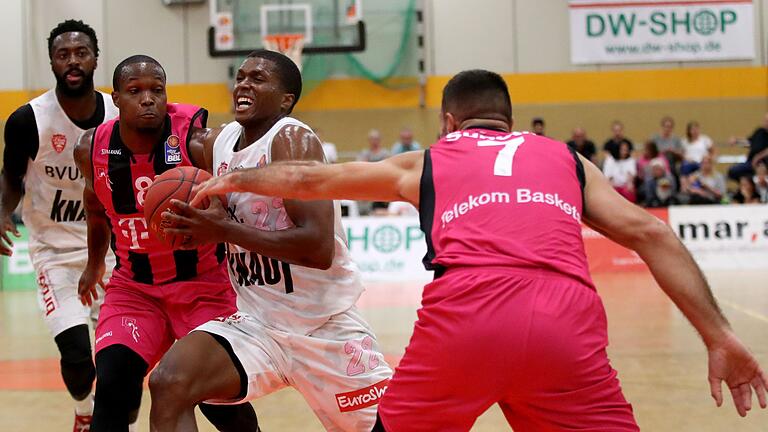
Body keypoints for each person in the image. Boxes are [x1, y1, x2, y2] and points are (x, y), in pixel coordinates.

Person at [192, 69, 768, 431]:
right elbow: (654, 234)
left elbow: (314, 181)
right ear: (511, 121)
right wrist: (720, 337)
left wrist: (231, 178)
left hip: (467, 315)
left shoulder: (428, 159)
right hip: (565, 321)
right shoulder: (564, 157)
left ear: (449, 122)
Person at [147, 50, 391, 432]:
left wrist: (222, 231)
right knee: (169, 382)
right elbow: (163, 126)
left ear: (286, 100)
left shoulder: (292, 139)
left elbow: (317, 247)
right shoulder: (221, 142)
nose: (244, 84)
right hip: (256, 326)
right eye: (241, 76)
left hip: (322, 327)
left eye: (258, 79)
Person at [73, 55, 258, 432]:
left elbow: (239, 213)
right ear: (116, 99)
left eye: (157, 90)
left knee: (219, 404)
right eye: (135, 91)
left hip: (204, 287)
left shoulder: (198, 142)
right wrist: (94, 264)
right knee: (112, 387)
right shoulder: (89, 148)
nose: (148, 99)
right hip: (135, 290)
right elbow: (94, 209)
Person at [0, 20, 118, 431]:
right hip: (54, 253)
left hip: (111, 253)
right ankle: (83, 410)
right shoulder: (27, 121)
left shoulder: (119, 116)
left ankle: (108, 419)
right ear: (52, 60)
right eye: (63, 54)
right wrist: (2, 212)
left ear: (95, 59)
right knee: (76, 355)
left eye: (81, 53)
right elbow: (12, 177)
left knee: (117, 359)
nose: (72, 61)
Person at [728, 112, 768, 181]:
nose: (765, 123)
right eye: (765, 120)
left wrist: (758, 157)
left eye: (767, 121)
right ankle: (749, 183)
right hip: (751, 162)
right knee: (733, 171)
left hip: (764, 164)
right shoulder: (759, 131)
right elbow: (749, 142)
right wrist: (737, 141)